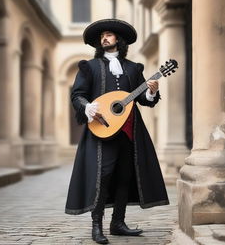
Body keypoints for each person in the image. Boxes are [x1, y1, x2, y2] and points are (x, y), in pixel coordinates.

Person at [65, 19, 169, 244]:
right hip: (101, 130)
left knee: (125, 176)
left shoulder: (133, 68)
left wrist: (151, 92)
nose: (105, 38)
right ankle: (97, 226)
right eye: (103, 35)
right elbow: (77, 95)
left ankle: (118, 223)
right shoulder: (89, 67)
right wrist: (87, 106)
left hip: (129, 131)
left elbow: (142, 99)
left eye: (109, 35)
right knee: (102, 177)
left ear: (118, 40)